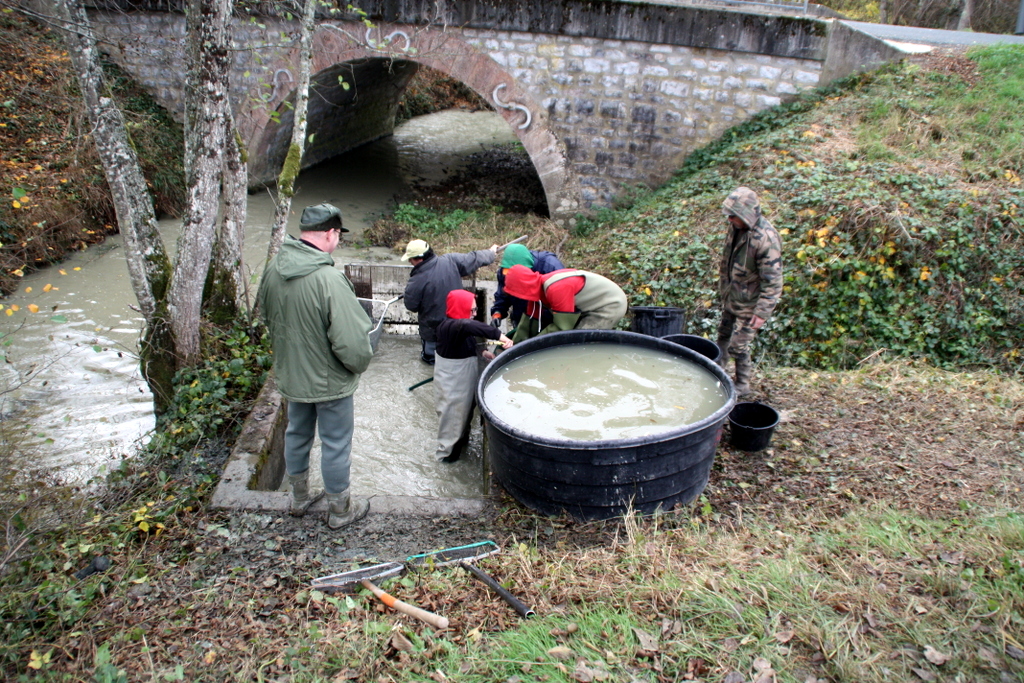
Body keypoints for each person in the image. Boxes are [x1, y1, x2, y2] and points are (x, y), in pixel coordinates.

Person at [257, 203, 374, 530]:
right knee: (336, 443)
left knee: (296, 434)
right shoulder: (328, 280)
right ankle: (340, 512)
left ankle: (298, 498)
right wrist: (358, 366)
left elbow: (268, 317)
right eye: (338, 235)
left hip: (292, 376)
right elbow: (352, 345)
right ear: (329, 233)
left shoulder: (274, 268)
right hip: (329, 382)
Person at [716, 186, 783, 397]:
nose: (729, 220)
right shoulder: (736, 228)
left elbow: (773, 282)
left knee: (739, 345)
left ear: (746, 214)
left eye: (733, 216)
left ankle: (742, 385)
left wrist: (761, 313)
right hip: (731, 295)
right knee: (723, 337)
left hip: (750, 303)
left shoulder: (766, 239)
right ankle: (719, 373)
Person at [434, 289, 512, 462]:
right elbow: (467, 326)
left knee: (463, 422)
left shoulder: (460, 328)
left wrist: (482, 352)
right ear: (459, 308)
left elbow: (468, 342)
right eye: (472, 310)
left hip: (464, 388)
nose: (475, 314)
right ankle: (446, 466)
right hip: (452, 391)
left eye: (476, 310)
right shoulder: (448, 327)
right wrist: (499, 335)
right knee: (451, 429)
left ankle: (461, 451)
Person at [402, 238, 498, 364]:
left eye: (410, 259)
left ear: (419, 259)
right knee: (461, 357)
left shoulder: (416, 281)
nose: (410, 262)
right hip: (459, 326)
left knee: (432, 362)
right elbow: (474, 258)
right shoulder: (451, 260)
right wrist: (490, 252)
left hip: (433, 333)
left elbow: (411, 306)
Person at [502, 265, 628, 341]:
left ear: (524, 288)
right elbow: (528, 324)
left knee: (579, 341)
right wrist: (514, 344)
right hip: (589, 307)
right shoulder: (537, 291)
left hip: (610, 304)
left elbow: (562, 328)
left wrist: (532, 345)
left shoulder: (556, 289)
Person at [489, 243, 565, 333]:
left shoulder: (550, 267)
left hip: (548, 321)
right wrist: (497, 313)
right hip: (521, 317)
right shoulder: (505, 272)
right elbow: (503, 295)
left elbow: (564, 303)